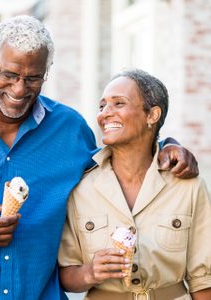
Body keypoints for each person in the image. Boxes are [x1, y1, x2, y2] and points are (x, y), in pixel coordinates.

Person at [0, 16, 199, 300]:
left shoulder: (68, 129)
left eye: (33, 78)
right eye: (10, 75)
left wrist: (164, 146)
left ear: (45, 73)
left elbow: (115, 165)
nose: (20, 89)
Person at [58, 69, 211, 300]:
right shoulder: (80, 188)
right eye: (102, 106)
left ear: (152, 115)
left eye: (119, 103)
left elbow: (203, 280)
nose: (105, 114)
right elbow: (65, 273)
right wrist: (90, 272)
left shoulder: (188, 186)